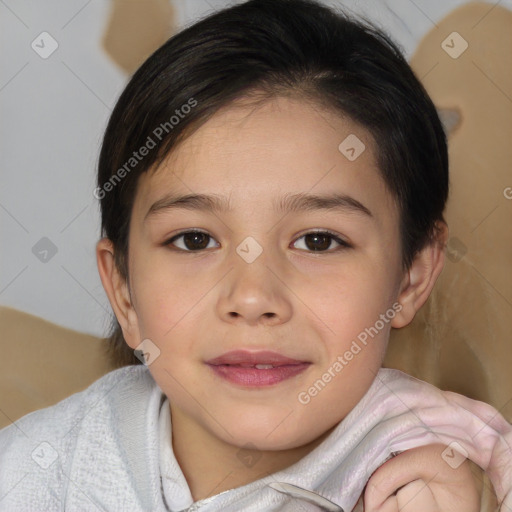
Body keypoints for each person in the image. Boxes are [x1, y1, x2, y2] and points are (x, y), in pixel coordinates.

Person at [1, 0, 510, 510]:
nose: (251, 298)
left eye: (318, 240)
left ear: (411, 278)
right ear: (124, 292)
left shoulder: (450, 482)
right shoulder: (31, 472)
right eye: (194, 240)